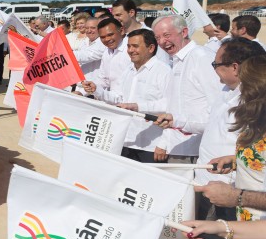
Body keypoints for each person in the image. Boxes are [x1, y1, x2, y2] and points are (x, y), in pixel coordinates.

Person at [156, 38, 265, 239]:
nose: (213, 70)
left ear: (236, 68)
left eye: (216, 65)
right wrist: (235, 159)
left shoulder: (252, 101)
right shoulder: (225, 91)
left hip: (237, 195)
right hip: (218, 185)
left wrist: (236, 195)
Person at [152, 15, 221, 162]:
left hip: (198, 150)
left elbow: (218, 106)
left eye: (166, 35)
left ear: (184, 32)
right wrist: (165, 141)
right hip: (178, 146)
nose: (162, 42)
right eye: (157, 38)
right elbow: (173, 105)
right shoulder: (176, 61)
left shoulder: (201, 57)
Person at [104, 29, 172, 163]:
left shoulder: (164, 72)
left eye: (135, 46)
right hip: (126, 141)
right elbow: (119, 98)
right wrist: (96, 91)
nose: (130, 50)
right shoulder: (128, 71)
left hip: (152, 146)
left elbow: (170, 106)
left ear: (151, 48)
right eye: (128, 46)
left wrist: (164, 144)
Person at [81, 18, 131, 101]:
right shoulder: (107, 52)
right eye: (103, 37)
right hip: (114, 101)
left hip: (130, 104)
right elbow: (103, 80)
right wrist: (84, 91)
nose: (107, 39)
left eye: (110, 35)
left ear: (121, 31)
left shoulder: (130, 50)